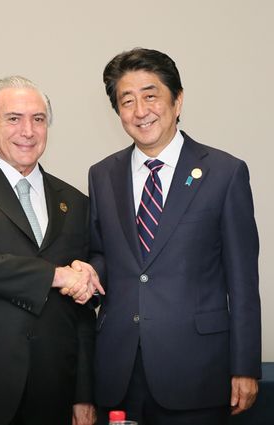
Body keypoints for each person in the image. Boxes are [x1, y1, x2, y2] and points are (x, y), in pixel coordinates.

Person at [86, 48, 261, 425]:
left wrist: (245, 365)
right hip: (119, 370)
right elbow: (102, 252)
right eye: (126, 100)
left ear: (177, 100)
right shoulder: (102, 175)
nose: (139, 110)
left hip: (197, 370)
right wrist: (86, 273)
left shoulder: (224, 173)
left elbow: (243, 280)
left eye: (151, 95)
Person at [0, 76, 104, 425]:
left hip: (55, 388)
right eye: (13, 118)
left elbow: (82, 311)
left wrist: (84, 394)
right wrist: (58, 275)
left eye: (38, 119)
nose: (28, 130)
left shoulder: (76, 202)